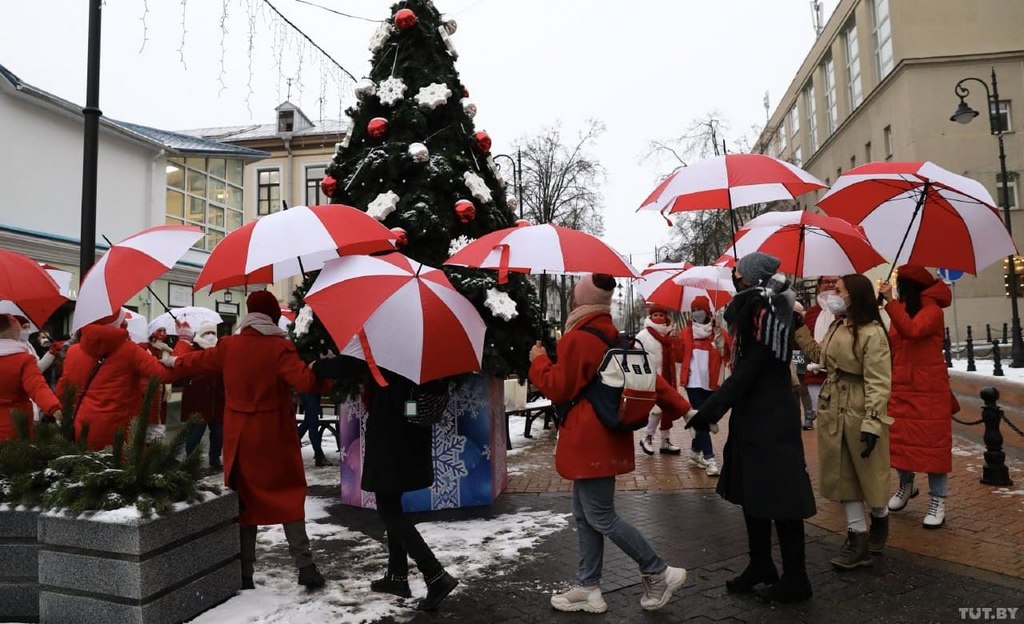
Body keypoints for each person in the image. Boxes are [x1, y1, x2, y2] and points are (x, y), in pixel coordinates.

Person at [529, 273, 691, 614]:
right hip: (608, 439)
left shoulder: (578, 340)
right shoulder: (619, 338)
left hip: (589, 443)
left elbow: (558, 388)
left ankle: (658, 570)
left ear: (581, 301)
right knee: (585, 515)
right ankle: (588, 586)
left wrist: (538, 362)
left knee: (600, 516)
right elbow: (655, 382)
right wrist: (684, 408)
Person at [161, 291, 326, 591]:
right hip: (274, 436)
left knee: (244, 503)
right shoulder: (281, 347)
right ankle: (305, 566)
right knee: (288, 496)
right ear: (273, 315)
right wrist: (321, 369)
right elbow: (305, 382)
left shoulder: (229, 346)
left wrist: (178, 350)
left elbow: (193, 363)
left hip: (240, 439)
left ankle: (244, 572)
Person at [685, 253, 816, 604]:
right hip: (754, 418)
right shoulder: (754, 310)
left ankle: (796, 578)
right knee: (754, 493)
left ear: (750, 277)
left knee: (782, 498)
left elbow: (751, 369)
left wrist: (710, 409)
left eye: (738, 270)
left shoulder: (766, 311)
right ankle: (761, 565)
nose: (734, 274)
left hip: (771, 419)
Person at [312, 358, 460, 612]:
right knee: (392, 504)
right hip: (408, 437)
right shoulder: (415, 350)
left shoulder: (388, 347)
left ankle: (435, 574)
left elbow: (353, 363)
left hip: (392, 440)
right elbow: (409, 401)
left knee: (389, 510)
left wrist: (317, 367)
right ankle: (397, 576)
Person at [794, 273, 893, 567]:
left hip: (859, 407)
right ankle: (857, 537)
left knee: (870, 473)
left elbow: (879, 381)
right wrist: (800, 330)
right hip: (833, 405)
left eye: (838, 290)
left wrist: (873, 422)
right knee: (842, 475)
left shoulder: (872, 333)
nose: (833, 294)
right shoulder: (837, 326)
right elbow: (821, 357)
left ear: (854, 295)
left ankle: (880, 519)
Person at [880, 265, 953, 529]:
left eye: (900, 284)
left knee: (933, 446)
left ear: (909, 287)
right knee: (901, 441)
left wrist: (890, 303)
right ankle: (906, 485)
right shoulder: (904, 308)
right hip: (903, 386)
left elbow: (912, 330)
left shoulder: (932, 311)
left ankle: (938, 499)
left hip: (928, 390)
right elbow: (896, 341)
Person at [56, 310, 175, 450]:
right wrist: (184, 343)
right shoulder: (130, 350)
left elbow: (63, 391)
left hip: (83, 427)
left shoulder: (73, 351)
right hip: (121, 431)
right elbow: (163, 374)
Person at [676, 295, 731, 476]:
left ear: (707, 311)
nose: (696, 313)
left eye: (699, 309)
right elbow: (678, 356)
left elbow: (728, 352)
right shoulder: (686, 332)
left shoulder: (718, 331)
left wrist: (718, 335)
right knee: (702, 417)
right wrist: (673, 341)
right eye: (693, 310)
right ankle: (710, 459)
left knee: (702, 418)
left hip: (711, 382)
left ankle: (694, 453)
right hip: (692, 382)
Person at [0, 314, 62, 441]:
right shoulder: (23, 359)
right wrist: (54, 407)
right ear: (16, 332)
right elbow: (37, 386)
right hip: (16, 426)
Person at [177, 321, 225, 471]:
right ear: (200, 335)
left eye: (213, 333)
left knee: (218, 434)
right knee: (194, 435)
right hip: (197, 402)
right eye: (207, 333)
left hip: (217, 401)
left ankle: (214, 459)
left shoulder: (219, 352)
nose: (211, 336)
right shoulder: (193, 351)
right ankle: (191, 461)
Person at [636, 304, 682, 455]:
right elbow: (635, 355)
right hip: (651, 377)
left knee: (666, 408)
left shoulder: (669, 335)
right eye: (654, 315)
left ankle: (665, 441)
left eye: (661, 315)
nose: (658, 318)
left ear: (665, 317)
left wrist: (675, 340)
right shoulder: (643, 335)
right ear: (650, 317)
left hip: (667, 376)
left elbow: (678, 355)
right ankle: (647, 437)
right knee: (656, 410)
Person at [802, 276, 841, 430]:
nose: (830, 285)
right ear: (819, 286)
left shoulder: (845, 310)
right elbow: (803, 341)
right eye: (826, 282)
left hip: (839, 373)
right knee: (825, 422)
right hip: (816, 374)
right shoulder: (811, 313)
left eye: (834, 281)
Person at [297, 392, 332, 467]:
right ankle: (319, 455)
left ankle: (289, 445)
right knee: (312, 422)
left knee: (309, 421)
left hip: (312, 388)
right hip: (309, 388)